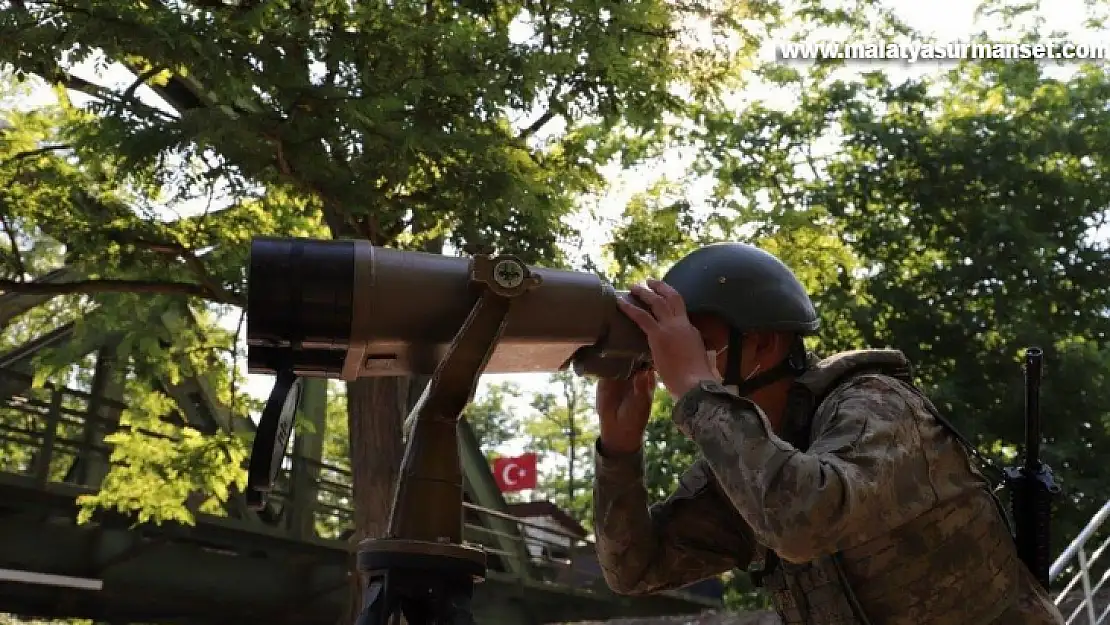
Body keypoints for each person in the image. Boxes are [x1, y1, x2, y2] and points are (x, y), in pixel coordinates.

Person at [592, 242, 1065, 625]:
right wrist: (619, 449)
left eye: (700, 343)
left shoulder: (875, 404)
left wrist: (697, 391)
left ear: (763, 343)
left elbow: (805, 521)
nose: (680, 357)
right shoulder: (753, 460)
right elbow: (634, 570)